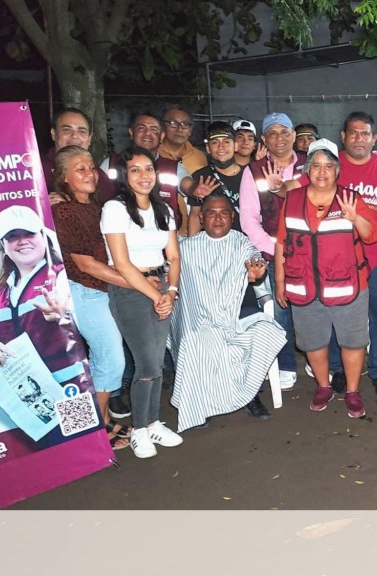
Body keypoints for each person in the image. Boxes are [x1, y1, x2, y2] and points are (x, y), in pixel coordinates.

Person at [274, 139, 377, 418]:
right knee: (313, 342)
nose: (322, 172)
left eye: (329, 166)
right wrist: (280, 280)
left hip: (348, 286)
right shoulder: (293, 199)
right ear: (307, 170)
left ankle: (353, 391)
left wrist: (355, 217)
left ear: (337, 170)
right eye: (316, 166)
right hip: (304, 284)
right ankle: (323, 386)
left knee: (353, 342)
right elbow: (281, 242)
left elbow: (372, 236)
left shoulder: (350, 198)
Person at [169, 193, 286, 432]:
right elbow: (170, 278)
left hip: (235, 316)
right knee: (197, 339)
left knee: (265, 331)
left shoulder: (241, 243)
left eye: (224, 213)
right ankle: (199, 405)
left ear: (232, 217)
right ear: (201, 218)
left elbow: (255, 262)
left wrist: (256, 275)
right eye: (211, 213)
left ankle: (250, 393)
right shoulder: (186, 248)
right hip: (199, 319)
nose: (218, 218)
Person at [0, 205, 90, 444]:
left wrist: (64, 315)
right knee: (40, 450)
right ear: (4, 245)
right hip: (26, 396)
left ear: (42, 237)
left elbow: (86, 324)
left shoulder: (60, 276)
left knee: (80, 443)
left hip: (70, 386)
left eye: (28, 234)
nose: (22, 242)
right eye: (12, 237)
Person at [101, 146, 183, 459]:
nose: (143, 175)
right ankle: (139, 428)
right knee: (146, 362)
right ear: (125, 176)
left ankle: (152, 423)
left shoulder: (164, 209)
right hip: (130, 290)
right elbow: (120, 263)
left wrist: (171, 291)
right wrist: (156, 296)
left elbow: (173, 255)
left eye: (148, 169)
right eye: (135, 170)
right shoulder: (115, 208)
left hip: (161, 285)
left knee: (156, 360)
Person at [51, 145, 132, 450]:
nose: (90, 173)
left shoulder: (97, 206)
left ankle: (103, 417)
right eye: (80, 168)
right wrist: (134, 282)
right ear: (64, 177)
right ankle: (94, 434)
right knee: (111, 359)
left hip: (101, 290)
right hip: (83, 291)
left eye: (90, 167)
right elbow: (85, 264)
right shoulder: (63, 211)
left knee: (99, 359)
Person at [240, 112, 306, 390]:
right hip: (270, 252)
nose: (279, 138)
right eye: (272, 133)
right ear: (264, 139)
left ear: (293, 135)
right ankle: (286, 364)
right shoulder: (253, 171)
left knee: (313, 309)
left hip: (310, 251)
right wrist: (275, 249)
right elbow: (248, 219)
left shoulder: (309, 164)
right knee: (279, 312)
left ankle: (322, 363)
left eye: (285, 132)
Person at [336, 111, 377, 396]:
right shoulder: (331, 164)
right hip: (337, 258)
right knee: (339, 316)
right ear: (343, 137)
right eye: (353, 133)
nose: (359, 138)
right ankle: (339, 370)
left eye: (365, 134)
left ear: (374, 139)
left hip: (375, 257)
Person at [99, 111, 191, 229]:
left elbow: (188, 185)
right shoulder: (111, 163)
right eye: (141, 128)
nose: (147, 133)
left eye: (153, 129)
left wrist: (196, 189)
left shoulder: (173, 167)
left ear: (162, 136)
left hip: (164, 238)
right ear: (131, 132)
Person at [185, 122, 246, 236]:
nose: (221, 147)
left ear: (236, 146)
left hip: (247, 243)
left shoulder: (250, 174)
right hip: (213, 244)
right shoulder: (201, 177)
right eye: (214, 143)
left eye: (227, 142)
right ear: (208, 148)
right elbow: (195, 215)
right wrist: (191, 247)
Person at [40, 107, 115, 199]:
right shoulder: (36, 170)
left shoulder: (99, 176)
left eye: (82, 131)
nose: (75, 136)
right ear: (53, 134)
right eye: (67, 130)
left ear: (89, 139)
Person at [157, 105, 207, 174]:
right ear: (163, 127)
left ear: (190, 130)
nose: (180, 129)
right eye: (173, 123)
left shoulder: (200, 157)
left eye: (185, 124)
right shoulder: (154, 153)